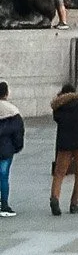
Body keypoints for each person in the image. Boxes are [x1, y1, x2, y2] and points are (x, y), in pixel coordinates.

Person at [49, 84, 78, 216]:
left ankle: (55, 198)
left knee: (59, 173)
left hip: (64, 144)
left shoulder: (58, 109)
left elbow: (57, 118)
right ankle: (74, 203)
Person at [0, 84, 22, 216]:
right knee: (3, 176)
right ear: (6, 93)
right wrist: (17, 147)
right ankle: (4, 205)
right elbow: (18, 132)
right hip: (6, 149)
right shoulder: (13, 111)